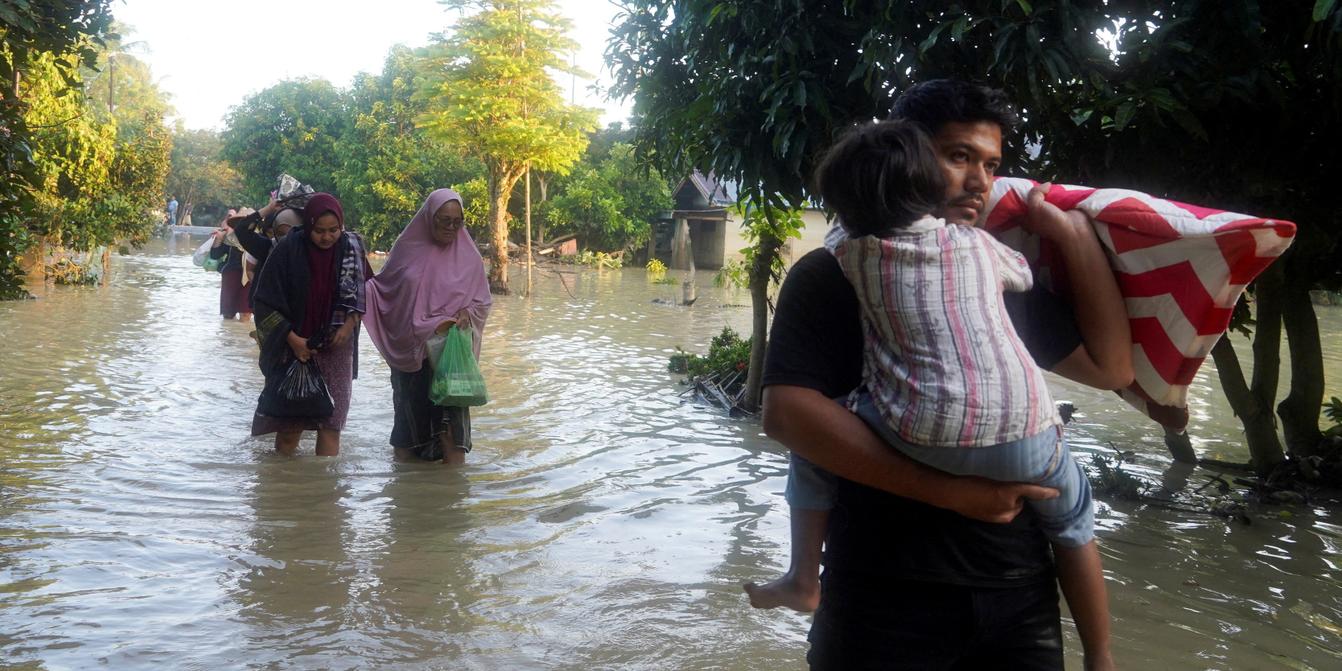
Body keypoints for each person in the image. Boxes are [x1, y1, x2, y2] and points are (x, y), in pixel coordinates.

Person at [754, 80, 1130, 670]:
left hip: (1018, 592)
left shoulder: (979, 268)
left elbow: (1113, 368)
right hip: (880, 596)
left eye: (992, 164)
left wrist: (1074, 234)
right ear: (910, 156)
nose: (980, 180)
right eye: (959, 157)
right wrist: (952, 494)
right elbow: (787, 414)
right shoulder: (830, 275)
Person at [363, 189, 491, 465]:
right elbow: (384, 288)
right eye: (444, 220)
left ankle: (450, 501)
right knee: (409, 433)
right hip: (414, 353)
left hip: (451, 358)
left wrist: (466, 314)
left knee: (453, 436)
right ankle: (409, 501)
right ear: (428, 218)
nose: (451, 227)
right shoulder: (406, 248)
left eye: (457, 222)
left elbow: (482, 302)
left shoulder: (469, 258)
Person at [250, 193, 372, 457]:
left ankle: (324, 493)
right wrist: (293, 340)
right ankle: (284, 491)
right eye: (319, 231)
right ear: (308, 226)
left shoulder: (353, 247)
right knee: (290, 427)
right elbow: (264, 301)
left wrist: (347, 326)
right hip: (293, 345)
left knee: (331, 424)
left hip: (337, 346)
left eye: (333, 230)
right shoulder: (287, 249)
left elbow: (364, 292)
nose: (327, 237)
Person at [208, 209, 253, 322]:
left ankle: (239, 339)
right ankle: (228, 338)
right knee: (228, 315)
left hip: (249, 276)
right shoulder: (229, 236)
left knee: (245, 314)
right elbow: (215, 255)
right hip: (231, 273)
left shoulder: (259, 237)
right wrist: (218, 239)